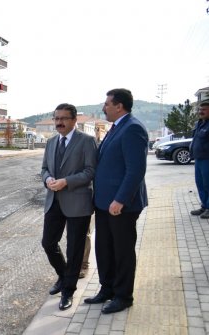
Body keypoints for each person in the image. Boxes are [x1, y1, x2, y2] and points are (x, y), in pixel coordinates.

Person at [86, 88, 148, 314]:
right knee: (104, 249)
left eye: (107, 104)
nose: (104, 107)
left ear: (119, 106)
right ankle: (107, 289)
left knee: (122, 251)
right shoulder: (116, 128)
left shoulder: (133, 129)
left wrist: (120, 200)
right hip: (104, 203)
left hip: (121, 206)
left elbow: (136, 170)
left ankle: (123, 296)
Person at [40, 103, 97, 311]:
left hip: (78, 202)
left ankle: (68, 291)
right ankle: (64, 276)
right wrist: (47, 180)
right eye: (56, 118)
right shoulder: (51, 142)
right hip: (53, 200)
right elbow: (45, 169)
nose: (59, 122)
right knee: (48, 243)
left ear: (74, 120)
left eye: (63, 118)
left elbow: (91, 171)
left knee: (74, 250)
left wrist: (66, 182)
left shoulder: (87, 141)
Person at [190, 100, 209, 218]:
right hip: (198, 158)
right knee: (200, 184)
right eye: (200, 109)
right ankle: (204, 206)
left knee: (208, 184)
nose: (200, 112)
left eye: (204, 110)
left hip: (207, 159)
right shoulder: (199, 123)